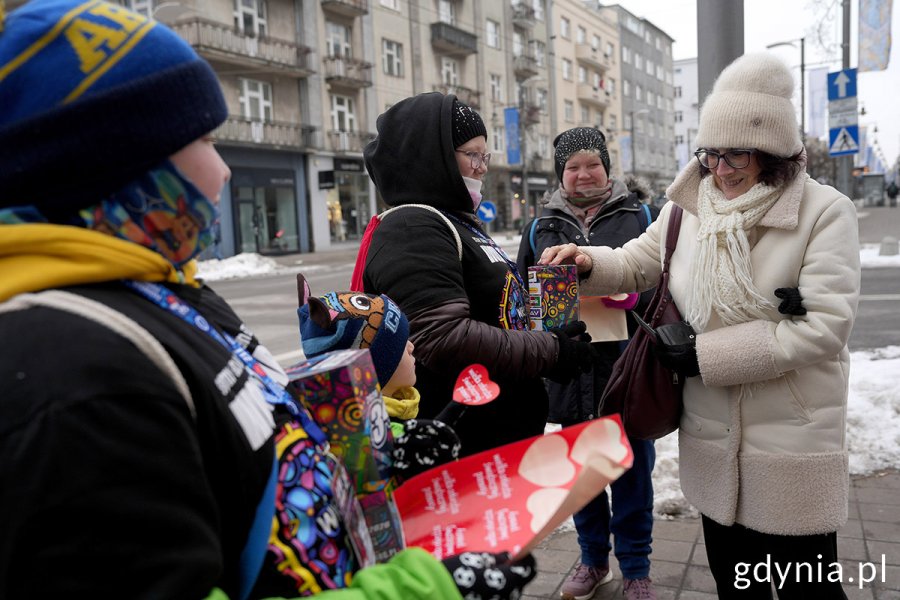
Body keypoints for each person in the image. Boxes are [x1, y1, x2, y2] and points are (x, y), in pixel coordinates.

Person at [0, 2, 536, 599]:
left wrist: (372, 452)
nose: (225, 172)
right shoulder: (70, 371)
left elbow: (249, 446)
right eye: (204, 141)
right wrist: (418, 593)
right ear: (119, 163)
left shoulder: (173, 295)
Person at [540, 53, 860, 600]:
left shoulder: (823, 211)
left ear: (774, 154)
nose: (720, 167)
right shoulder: (688, 208)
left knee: (808, 588)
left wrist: (706, 357)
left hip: (791, 438)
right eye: (710, 152)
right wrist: (589, 263)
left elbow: (825, 326)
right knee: (738, 586)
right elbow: (639, 261)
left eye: (737, 153)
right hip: (711, 437)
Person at [354, 92, 595, 457]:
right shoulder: (412, 226)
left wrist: (547, 314)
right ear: (433, 157)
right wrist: (551, 351)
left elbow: (492, 312)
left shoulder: (457, 222)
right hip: (462, 444)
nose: (482, 167)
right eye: (472, 155)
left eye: (486, 156)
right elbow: (442, 337)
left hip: (495, 434)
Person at [517, 128, 659, 600]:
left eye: (591, 164)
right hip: (571, 369)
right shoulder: (541, 228)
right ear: (561, 174)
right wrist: (544, 320)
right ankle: (593, 560)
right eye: (572, 167)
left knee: (632, 471)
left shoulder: (640, 216)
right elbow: (520, 298)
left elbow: (666, 287)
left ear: (607, 167)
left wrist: (634, 294)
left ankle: (636, 567)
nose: (583, 175)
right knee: (583, 475)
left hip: (627, 367)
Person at [297, 289, 461, 480]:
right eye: (399, 345)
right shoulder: (381, 438)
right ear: (376, 368)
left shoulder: (400, 403)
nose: (411, 347)